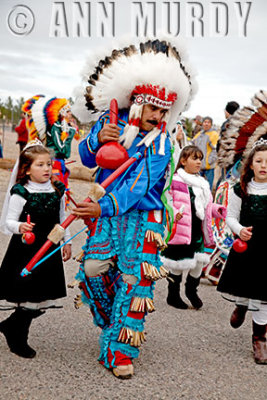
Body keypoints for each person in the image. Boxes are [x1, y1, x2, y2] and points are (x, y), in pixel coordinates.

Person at [71, 36, 197, 379]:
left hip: (143, 217)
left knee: (134, 280)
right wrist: (99, 139)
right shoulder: (110, 122)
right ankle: (114, 322)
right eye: (152, 108)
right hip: (107, 217)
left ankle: (120, 351)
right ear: (137, 103)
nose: (157, 116)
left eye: (163, 111)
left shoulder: (162, 145)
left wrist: (104, 207)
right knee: (94, 270)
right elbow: (82, 156)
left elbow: (139, 187)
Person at [0, 140, 71, 359]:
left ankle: (11, 325)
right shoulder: (21, 191)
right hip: (26, 250)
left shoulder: (57, 189)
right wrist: (20, 226)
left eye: (49, 164)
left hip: (49, 248)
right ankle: (17, 338)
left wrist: (66, 241)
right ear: (26, 169)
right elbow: (9, 222)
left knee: (41, 300)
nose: (47, 169)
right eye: (40, 165)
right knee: (30, 297)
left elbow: (62, 219)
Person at [217, 140, 267, 364]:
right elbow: (230, 216)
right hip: (246, 246)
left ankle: (259, 339)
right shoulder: (241, 188)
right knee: (245, 285)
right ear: (251, 165)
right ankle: (241, 304)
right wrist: (239, 230)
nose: (264, 165)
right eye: (259, 161)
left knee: (264, 295)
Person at [161, 145, 226, 309]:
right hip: (182, 230)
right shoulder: (175, 181)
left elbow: (206, 206)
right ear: (183, 161)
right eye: (194, 158)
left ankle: (191, 290)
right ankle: (173, 294)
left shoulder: (202, 183)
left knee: (198, 263)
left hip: (198, 230)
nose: (198, 162)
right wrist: (174, 213)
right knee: (178, 263)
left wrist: (216, 209)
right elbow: (167, 200)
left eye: (200, 159)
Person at [192, 116, 219, 190]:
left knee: (207, 186)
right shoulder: (199, 134)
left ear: (211, 124)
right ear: (202, 123)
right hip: (199, 165)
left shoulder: (214, 134)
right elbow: (192, 143)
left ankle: (208, 200)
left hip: (208, 166)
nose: (206, 124)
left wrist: (210, 161)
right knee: (197, 186)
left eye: (208, 122)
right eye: (205, 122)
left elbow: (215, 149)